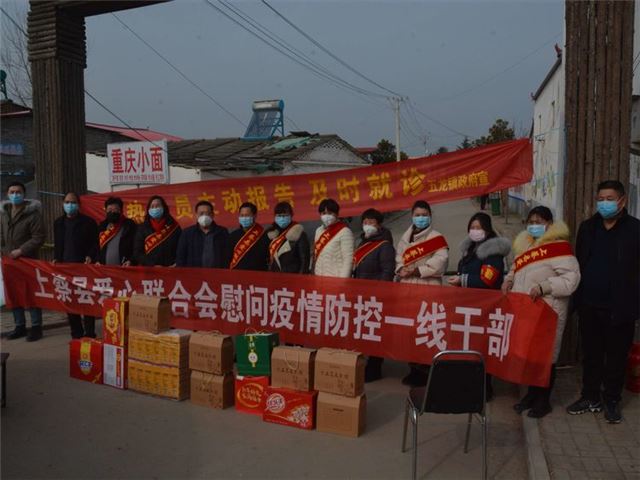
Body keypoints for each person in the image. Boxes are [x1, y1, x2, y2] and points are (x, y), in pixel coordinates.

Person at [567, 180, 640, 424]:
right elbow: (580, 261)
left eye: (609, 199)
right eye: (600, 199)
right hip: (590, 304)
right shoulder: (588, 228)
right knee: (591, 355)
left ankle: (611, 399)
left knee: (616, 357)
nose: (604, 203)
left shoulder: (635, 230)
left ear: (622, 201)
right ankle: (590, 396)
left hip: (621, 307)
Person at [503, 206, 580, 418]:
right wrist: (508, 280)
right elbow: (515, 269)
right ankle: (530, 395)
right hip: (526, 312)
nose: (534, 225)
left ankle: (543, 401)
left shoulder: (559, 248)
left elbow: (571, 280)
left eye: (538, 222)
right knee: (530, 356)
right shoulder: (526, 245)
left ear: (549, 224)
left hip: (548, 311)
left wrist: (545, 286)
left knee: (545, 358)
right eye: (531, 222)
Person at [448, 212, 511, 400]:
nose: (475, 231)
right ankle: (469, 384)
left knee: (483, 347)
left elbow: (487, 280)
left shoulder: (493, 251)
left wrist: (462, 280)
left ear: (488, 230)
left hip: (485, 307)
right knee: (469, 346)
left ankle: (485, 389)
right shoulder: (470, 248)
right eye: (472, 227)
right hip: (469, 306)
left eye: (479, 228)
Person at [396, 200, 449, 386]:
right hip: (408, 289)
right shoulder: (406, 237)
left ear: (430, 216)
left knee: (427, 330)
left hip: (428, 288)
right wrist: (401, 269)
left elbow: (441, 262)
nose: (421, 218)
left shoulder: (437, 238)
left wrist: (417, 270)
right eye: (417, 215)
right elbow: (399, 257)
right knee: (410, 331)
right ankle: (413, 369)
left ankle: (427, 371)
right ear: (412, 216)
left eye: (424, 215)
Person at [353, 208, 395, 382]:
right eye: (365, 222)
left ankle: (375, 367)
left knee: (375, 332)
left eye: (371, 222)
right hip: (361, 294)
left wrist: (380, 293)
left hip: (375, 296)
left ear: (379, 225)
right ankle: (365, 363)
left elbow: (387, 271)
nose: (367, 225)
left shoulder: (384, 245)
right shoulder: (362, 242)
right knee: (364, 331)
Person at [1, 181, 46, 341]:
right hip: (9, 261)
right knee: (13, 293)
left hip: (28, 261)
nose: (15, 195)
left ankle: (36, 327)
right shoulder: (4, 213)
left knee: (31, 293)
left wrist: (21, 250)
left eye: (18, 192)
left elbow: (39, 237)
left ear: (24, 194)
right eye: (12, 192)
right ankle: (19, 326)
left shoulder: (33, 214)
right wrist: (3, 250)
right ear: (7, 194)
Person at [53, 192, 99, 338]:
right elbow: (58, 245)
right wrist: (56, 258)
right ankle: (76, 332)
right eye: (67, 202)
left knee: (86, 300)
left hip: (83, 268)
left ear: (78, 205)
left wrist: (90, 256)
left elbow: (96, 244)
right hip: (66, 269)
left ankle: (90, 333)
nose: (70, 205)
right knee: (70, 301)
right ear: (63, 204)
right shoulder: (58, 223)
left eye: (73, 202)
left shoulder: (89, 222)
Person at [176, 201, 229, 268]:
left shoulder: (222, 232)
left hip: (217, 272)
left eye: (208, 213)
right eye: (201, 213)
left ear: (213, 215)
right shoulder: (187, 233)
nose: (204, 216)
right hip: (194, 273)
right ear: (196, 215)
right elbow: (180, 257)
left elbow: (227, 255)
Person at [133, 195, 181, 267]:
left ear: (164, 208)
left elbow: (181, 248)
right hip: (150, 269)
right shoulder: (142, 228)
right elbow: (137, 253)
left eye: (158, 206)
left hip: (171, 269)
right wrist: (151, 265)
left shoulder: (174, 226)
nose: (155, 208)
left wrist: (176, 263)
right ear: (148, 210)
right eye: (152, 206)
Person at [313, 198, 354, 278]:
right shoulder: (318, 231)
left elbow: (348, 260)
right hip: (319, 277)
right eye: (323, 213)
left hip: (336, 279)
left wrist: (342, 281)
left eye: (330, 213)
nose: (326, 216)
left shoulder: (345, 231)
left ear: (337, 214)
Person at [267, 201, 310, 274]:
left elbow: (305, 261)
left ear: (291, 215)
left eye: (285, 215)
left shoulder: (299, 233)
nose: (282, 218)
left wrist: (301, 278)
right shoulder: (271, 233)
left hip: (292, 277)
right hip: (274, 276)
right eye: (279, 215)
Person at [226, 202, 269, 271]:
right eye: (242, 215)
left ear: (254, 216)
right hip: (238, 275)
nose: (244, 218)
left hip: (258, 274)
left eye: (247, 215)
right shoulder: (233, 236)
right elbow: (228, 259)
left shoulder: (263, 235)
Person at [96, 196, 136, 266]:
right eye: (109, 209)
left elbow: (137, 247)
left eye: (115, 209)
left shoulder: (129, 225)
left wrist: (131, 260)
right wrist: (98, 260)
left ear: (121, 211)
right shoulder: (102, 226)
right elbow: (96, 247)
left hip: (124, 268)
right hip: (104, 269)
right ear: (106, 211)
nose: (112, 212)